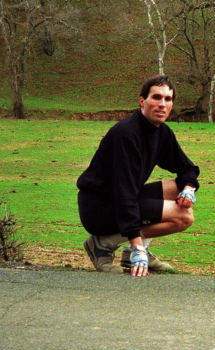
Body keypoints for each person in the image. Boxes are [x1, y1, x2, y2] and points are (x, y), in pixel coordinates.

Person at [77, 74, 199, 276]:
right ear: (142, 101)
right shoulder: (127, 133)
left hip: (123, 197)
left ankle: (129, 252)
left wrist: (188, 189)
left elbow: (187, 168)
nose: (162, 104)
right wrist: (137, 245)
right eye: (156, 97)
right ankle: (102, 244)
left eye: (167, 99)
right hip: (99, 208)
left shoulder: (161, 132)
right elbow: (124, 192)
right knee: (183, 217)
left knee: (179, 188)